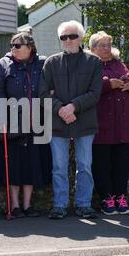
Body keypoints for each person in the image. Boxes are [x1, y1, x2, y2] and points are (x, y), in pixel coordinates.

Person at [39, 20, 102, 219]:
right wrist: (61, 109)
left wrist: (73, 106)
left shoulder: (94, 62)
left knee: (85, 165)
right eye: (63, 37)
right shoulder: (51, 62)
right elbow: (42, 94)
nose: (68, 40)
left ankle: (83, 204)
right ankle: (60, 205)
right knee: (59, 166)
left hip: (84, 122)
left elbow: (95, 93)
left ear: (81, 38)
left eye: (72, 36)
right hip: (58, 123)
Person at [0, 32, 51, 219]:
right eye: (12, 45)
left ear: (30, 47)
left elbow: (50, 86)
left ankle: (27, 205)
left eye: (17, 45)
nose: (13, 49)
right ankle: (15, 206)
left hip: (37, 121)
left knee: (32, 164)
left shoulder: (43, 63)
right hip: (13, 121)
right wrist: (2, 119)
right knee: (14, 164)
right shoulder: (3, 64)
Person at [89, 31, 129, 215]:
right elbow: (87, 88)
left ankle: (121, 197)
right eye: (102, 45)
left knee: (122, 164)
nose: (107, 49)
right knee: (101, 164)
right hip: (101, 123)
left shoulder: (119, 64)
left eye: (108, 45)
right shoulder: (89, 65)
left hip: (122, 124)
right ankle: (106, 198)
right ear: (92, 48)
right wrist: (108, 84)